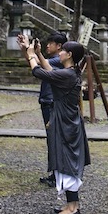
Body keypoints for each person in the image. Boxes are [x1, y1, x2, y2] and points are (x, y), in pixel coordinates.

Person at [18, 32, 90, 214]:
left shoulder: (67, 74)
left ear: (69, 55)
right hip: (66, 120)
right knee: (65, 161)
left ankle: (73, 208)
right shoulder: (70, 72)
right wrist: (39, 55)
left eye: (63, 51)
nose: (60, 53)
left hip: (66, 123)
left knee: (67, 162)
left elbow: (39, 73)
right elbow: (50, 72)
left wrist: (31, 53)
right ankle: (70, 205)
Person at [38, 33, 67, 187]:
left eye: (51, 43)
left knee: (55, 139)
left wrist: (33, 53)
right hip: (47, 101)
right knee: (52, 139)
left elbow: (39, 64)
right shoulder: (56, 60)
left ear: (59, 46)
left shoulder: (59, 61)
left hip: (51, 103)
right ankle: (54, 173)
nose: (47, 46)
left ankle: (58, 175)